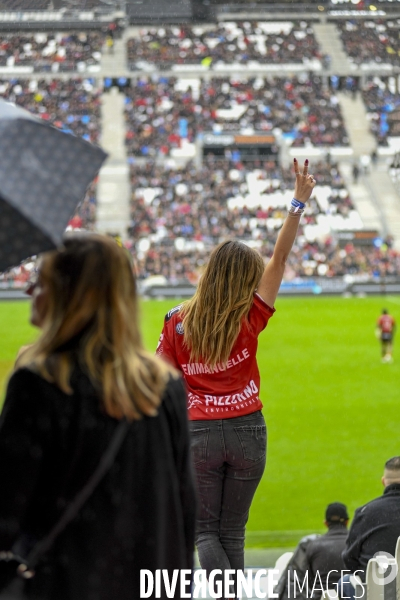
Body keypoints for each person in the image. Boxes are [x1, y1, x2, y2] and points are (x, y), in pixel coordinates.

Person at [0, 233, 196, 600]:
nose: (28, 290)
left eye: (40, 280)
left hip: (62, 584)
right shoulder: (164, 385)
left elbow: (8, 508)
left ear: (74, 294)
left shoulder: (38, 383)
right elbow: (183, 509)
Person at [156, 158, 316, 597]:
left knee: (204, 532)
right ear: (243, 279)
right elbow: (280, 258)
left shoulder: (176, 321)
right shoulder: (250, 316)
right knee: (233, 532)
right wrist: (296, 204)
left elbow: (162, 382)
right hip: (248, 430)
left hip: (199, 433)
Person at [339, 457, 400, 600]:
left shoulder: (366, 512)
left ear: (384, 482)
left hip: (377, 592)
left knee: (345, 582)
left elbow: (350, 559)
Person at [275, 503, 349, 600]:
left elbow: (305, 581)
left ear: (326, 523)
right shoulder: (356, 544)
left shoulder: (312, 546)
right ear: (347, 522)